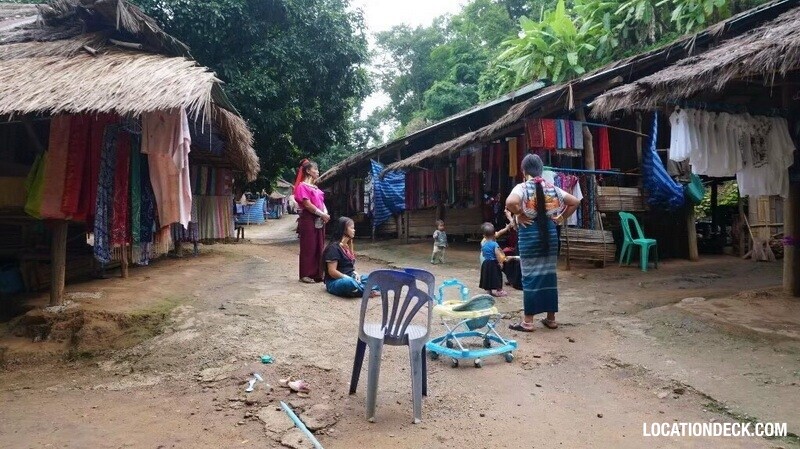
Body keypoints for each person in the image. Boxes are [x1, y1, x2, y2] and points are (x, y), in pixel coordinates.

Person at [505, 154, 579, 332]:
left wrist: (520, 214)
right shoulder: (552, 188)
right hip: (550, 234)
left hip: (529, 235)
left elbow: (510, 202)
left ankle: (528, 322)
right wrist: (560, 218)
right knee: (548, 274)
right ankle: (551, 319)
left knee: (530, 276)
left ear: (524, 171)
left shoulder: (522, 187)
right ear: (541, 170)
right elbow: (575, 202)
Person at [294, 159, 330, 283]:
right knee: (308, 246)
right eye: (315, 169)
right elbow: (307, 205)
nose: (318, 171)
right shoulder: (302, 186)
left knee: (319, 245)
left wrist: (325, 213)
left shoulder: (315, 187)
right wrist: (322, 214)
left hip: (319, 218)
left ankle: (317, 274)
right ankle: (305, 274)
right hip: (308, 219)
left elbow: (322, 202)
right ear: (308, 171)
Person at [323, 217, 372, 298]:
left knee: (373, 278)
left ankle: (360, 289)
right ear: (344, 229)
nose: (354, 230)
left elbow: (350, 264)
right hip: (336, 281)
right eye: (352, 228)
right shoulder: (333, 248)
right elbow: (332, 271)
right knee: (349, 283)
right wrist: (348, 277)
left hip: (351, 277)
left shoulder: (347, 245)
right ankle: (364, 291)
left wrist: (354, 273)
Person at [479, 222, 508, 297]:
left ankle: (489, 291)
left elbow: (484, 253)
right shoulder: (494, 244)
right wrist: (501, 262)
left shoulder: (483, 244)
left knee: (487, 276)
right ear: (494, 234)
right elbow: (497, 253)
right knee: (497, 276)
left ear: (484, 236)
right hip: (493, 262)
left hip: (486, 263)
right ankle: (499, 290)